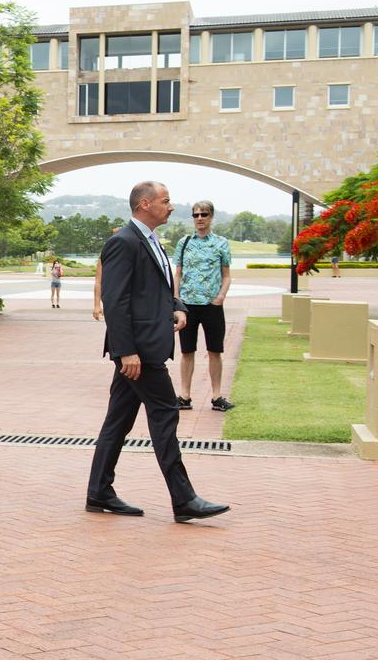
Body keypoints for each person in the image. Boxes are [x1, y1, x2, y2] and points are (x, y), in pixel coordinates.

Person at [86, 181, 229, 524]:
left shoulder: (151, 240)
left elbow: (158, 288)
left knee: (117, 422)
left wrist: (177, 306)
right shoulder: (123, 241)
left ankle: (98, 492)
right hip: (140, 353)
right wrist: (126, 352)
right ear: (145, 204)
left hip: (145, 347)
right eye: (165, 201)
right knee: (165, 416)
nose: (171, 206)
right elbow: (115, 301)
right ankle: (184, 499)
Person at [173, 201, 235, 413]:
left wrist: (220, 296)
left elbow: (226, 276)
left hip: (212, 305)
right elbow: (178, 274)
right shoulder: (184, 242)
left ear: (211, 217)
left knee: (215, 351)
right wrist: (176, 301)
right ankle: (184, 396)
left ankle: (217, 396)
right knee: (187, 351)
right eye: (196, 214)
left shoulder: (221, 243)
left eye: (204, 214)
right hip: (188, 306)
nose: (199, 218)